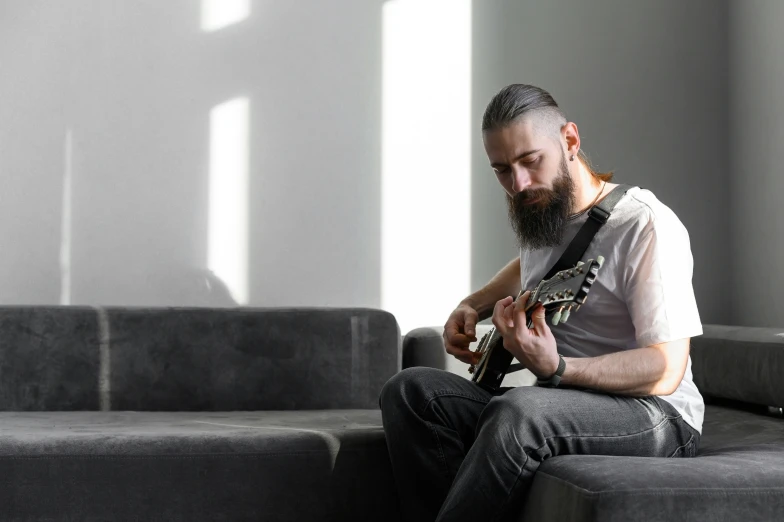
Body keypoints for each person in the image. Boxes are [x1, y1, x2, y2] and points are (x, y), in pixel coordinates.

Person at [378, 84, 704, 522]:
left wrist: (559, 369)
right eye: (502, 170)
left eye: (531, 161)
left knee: (521, 410)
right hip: (564, 402)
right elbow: (528, 267)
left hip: (656, 415)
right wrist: (471, 305)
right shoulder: (546, 214)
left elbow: (666, 369)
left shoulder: (644, 225)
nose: (519, 184)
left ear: (570, 140)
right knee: (411, 390)